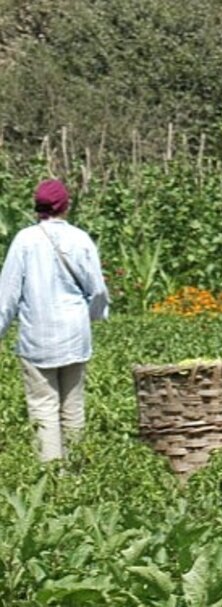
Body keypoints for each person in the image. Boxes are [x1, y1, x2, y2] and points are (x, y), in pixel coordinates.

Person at [0, 179, 109, 462]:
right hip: (75, 335)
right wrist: (92, 318)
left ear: (38, 206)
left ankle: (51, 478)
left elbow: (7, 295)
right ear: (65, 206)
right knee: (73, 406)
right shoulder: (80, 239)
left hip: (38, 337)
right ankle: (77, 473)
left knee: (43, 407)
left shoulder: (24, 240)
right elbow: (97, 290)